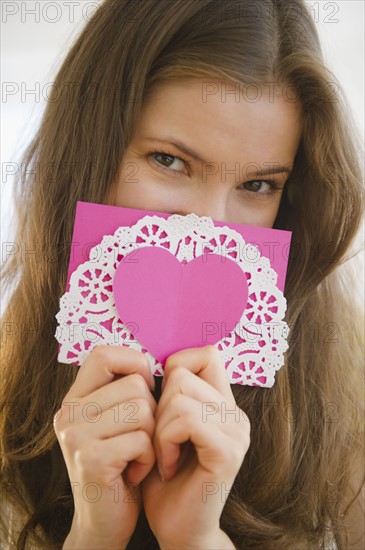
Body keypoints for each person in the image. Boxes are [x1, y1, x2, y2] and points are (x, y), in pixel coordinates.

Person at [1, 0, 364, 548]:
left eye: (259, 185)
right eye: (169, 161)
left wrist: (197, 539)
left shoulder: (351, 390)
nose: (208, 227)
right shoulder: (7, 388)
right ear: (85, 152)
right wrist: (95, 533)